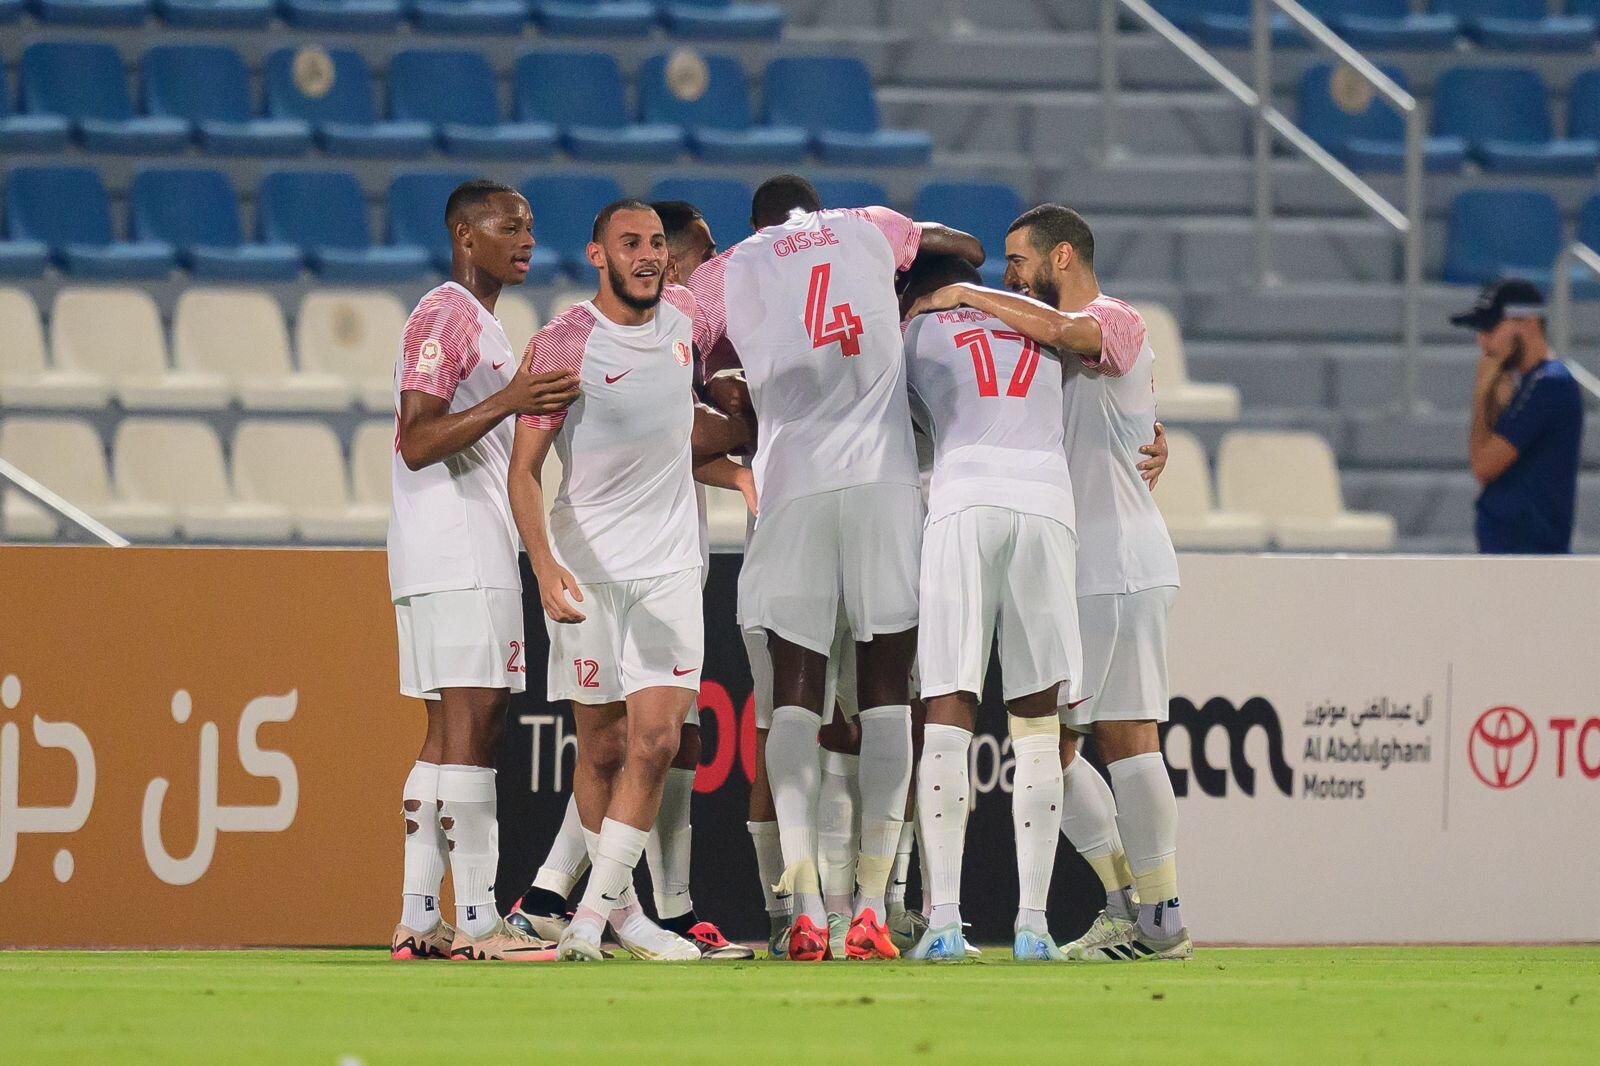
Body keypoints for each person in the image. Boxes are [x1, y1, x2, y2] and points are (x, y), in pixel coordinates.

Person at [688, 173, 983, 960]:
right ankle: (878, 910)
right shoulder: (869, 226)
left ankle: (808, 904)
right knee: (887, 698)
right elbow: (967, 250)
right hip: (884, 482)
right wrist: (911, 296)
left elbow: (690, 351)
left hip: (793, 487)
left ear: (752, 223)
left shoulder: (725, 272)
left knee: (794, 696)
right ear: (814, 209)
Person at [906, 202, 1190, 962]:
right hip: (1101, 556)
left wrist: (961, 296)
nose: (1008, 274)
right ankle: (1153, 915)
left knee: (1074, 745)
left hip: (1106, 564)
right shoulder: (1035, 340)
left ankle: (1133, 900)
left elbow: (1072, 337)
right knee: (1123, 741)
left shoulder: (1111, 319)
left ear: (1061, 256)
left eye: (1018, 259)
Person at [507, 199, 753, 960]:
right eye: (631, 244)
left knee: (656, 741)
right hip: (587, 571)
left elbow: (764, 266)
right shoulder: (563, 344)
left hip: (672, 568)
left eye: (655, 244)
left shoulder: (684, 315)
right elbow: (523, 472)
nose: (648, 256)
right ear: (597, 255)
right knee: (604, 750)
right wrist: (544, 563)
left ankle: (587, 922)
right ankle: (622, 918)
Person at [388, 179, 579, 963]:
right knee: (475, 727)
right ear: (465, 234)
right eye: (509, 226)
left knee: (445, 733)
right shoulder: (446, 314)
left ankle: (414, 919)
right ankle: (475, 922)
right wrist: (511, 398)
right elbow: (417, 437)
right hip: (459, 546)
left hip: (446, 548)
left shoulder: (486, 324)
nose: (526, 238)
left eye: (531, 225)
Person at [898, 253, 1084, 962]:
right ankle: (1034, 925)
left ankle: (944, 920)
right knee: (1036, 720)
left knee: (949, 707)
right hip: (1047, 503)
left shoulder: (916, 332)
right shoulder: (1042, 328)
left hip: (965, 498)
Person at [1456, 278, 1584, 555]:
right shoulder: (1527, 384)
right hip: (1514, 551)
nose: (1482, 340)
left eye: (1491, 327)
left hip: (1533, 553)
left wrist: (1481, 391)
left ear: (1529, 323)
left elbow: (1484, 466)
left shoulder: (1549, 383)